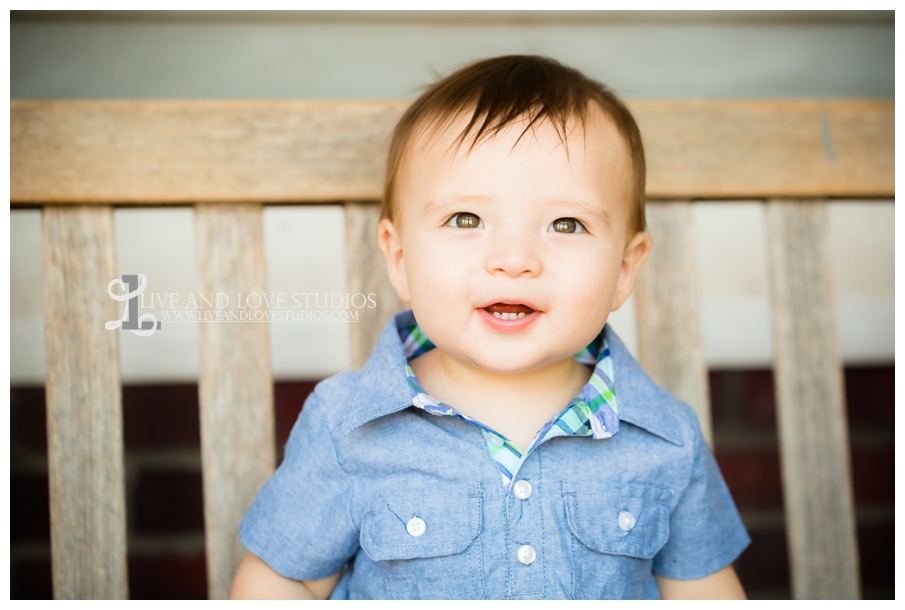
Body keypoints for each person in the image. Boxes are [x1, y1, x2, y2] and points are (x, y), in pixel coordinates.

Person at [230, 55, 749, 600]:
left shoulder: (665, 437)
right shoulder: (349, 427)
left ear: (624, 270)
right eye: (466, 219)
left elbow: (705, 590)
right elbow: (281, 579)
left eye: (565, 224)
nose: (514, 258)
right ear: (400, 258)